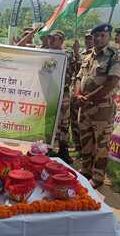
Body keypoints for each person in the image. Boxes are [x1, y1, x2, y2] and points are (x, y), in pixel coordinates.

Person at [75, 23, 120, 189]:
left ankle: (98, 177)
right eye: (95, 36)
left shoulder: (116, 56)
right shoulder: (89, 55)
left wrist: (88, 98)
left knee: (101, 145)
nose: (98, 39)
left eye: (102, 36)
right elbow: (78, 77)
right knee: (86, 140)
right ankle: (86, 170)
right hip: (84, 107)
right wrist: (78, 95)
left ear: (108, 37)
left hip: (102, 109)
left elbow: (111, 83)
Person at [48, 30, 76, 164]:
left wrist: (75, 51)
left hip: (63, 93)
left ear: (61, 40)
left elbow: (76, 67)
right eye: (49, 38)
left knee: (64, 123)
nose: (51, 40)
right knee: (49, 121)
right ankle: (48, 148)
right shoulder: (44, 53)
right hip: (49, 92)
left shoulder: (67, 55)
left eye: (54, 38)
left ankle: (63, 150)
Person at [70, 30, 94, 153]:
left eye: (90, 38)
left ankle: (85, 149)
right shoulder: (82, 53)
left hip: (86, 94)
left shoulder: (94, 55)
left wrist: (76, 53)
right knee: (74, 120)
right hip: (75, 90)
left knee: (82, 122)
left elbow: (83, 68)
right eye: (86, 38)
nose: (88, 40)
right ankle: (77, 145)